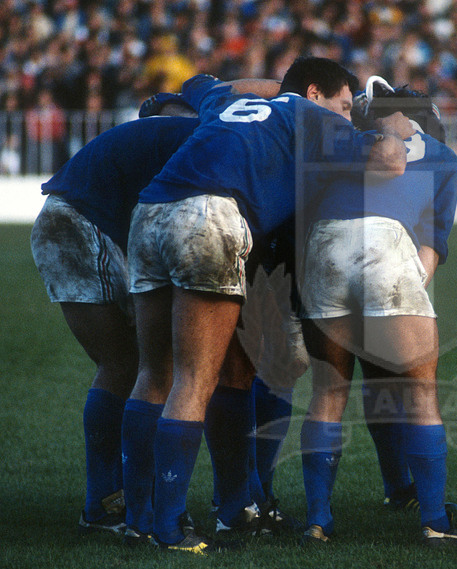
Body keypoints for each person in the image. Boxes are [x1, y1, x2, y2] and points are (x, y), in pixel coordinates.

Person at [121, 58, 410, 554]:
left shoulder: (232, 102)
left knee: (155, 373)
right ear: (316, 94)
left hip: (149, 213)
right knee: (196, 380)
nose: (345, 114)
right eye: (343, 104)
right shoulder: (313, 118)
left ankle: (138, 517)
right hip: (210, 214)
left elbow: (199, 83)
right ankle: (169, 531)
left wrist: (278, 88)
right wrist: (383, 118)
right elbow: (391, 161)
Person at [296, 76, 457, 546]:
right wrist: (397, 298)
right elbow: (430, 249)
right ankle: (434, 521)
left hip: (324, 244)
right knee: (420, 394)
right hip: (388, 247)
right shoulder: (443, 157)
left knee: (328, 392)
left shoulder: (344, 140)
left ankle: (317, 521)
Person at [29, 113, 199, 536]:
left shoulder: (205, 125)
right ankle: (106, 503)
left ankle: (115, 498)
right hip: (80, 220)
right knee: (127, 364)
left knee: (135, 364)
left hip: (79, 216)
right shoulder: (216, 138)